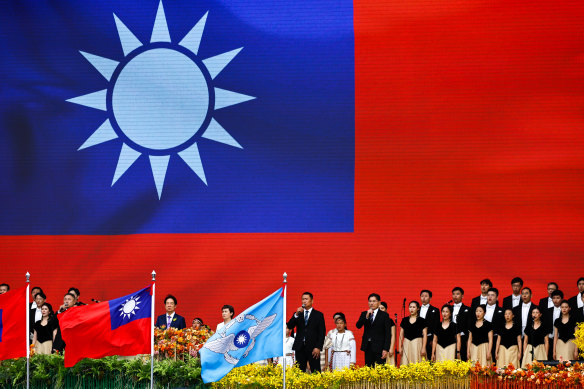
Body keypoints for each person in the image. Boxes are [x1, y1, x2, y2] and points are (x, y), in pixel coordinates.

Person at [287, 292, 326, 373]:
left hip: (313, 348)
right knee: (299, 371)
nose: (304, 301)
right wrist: (296, 314)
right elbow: (290, 326)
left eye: (306, 299)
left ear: (312, 301)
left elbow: (322, 332)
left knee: (315, 370)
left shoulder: (318, 315)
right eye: (303, 299)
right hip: (300, 347)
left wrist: (318, 347)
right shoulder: (298, 314)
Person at [356, 293, 394, 366]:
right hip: (368, 346)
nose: (371, 303)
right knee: (368, 369)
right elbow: (358, 326)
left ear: (379, 303)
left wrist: (386, 349)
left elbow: (387, 333)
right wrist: (366, 317)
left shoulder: (384, 315)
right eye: (370, 301)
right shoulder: (364, 314)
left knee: (380, 370)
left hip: (380, 347)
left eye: (374, 301)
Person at [399, 301, 427, 365]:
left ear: (418, 308)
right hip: (406, 343)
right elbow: (401, 335)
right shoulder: (404, 320)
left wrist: (423, 347)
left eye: (414, 307)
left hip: (417, 343)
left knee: (417, 363)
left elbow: (425, 335)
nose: (411, 309)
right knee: (405, 363)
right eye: (410, 307)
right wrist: (400, 347)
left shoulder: (422, 320)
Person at [484, 288, 504, 363]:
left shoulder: (502, 311)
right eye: (488, 295)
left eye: (492, 295)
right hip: (483, 338)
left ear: (497, 297)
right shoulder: (480, 309)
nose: (490, 297)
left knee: (495, 360)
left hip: (496, 338)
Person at [452, 287, 471, 361]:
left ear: (462, 296)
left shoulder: (467, 309)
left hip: (463, 337)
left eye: (457, 294)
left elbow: (469, 324)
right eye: (453, 294)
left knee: (462, 357)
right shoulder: (448, 308)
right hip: (451, 337)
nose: (455, 296)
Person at [419, 290, 440, 359]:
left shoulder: (435, 310)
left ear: (430, 298)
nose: (423, 298)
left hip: (430, 337)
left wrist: (433, 339)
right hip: (418, 337)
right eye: (422, 296)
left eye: (426, 296)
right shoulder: (417, 309)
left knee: (429, 357)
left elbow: (436, 325)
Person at [544, 290, 563, 360]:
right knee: (549, 358)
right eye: (554, 298)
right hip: (550, 338)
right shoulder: (547, 311)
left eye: (558, 298)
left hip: (561, 339)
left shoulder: (564, 310)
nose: (555, 300)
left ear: (562, 299)